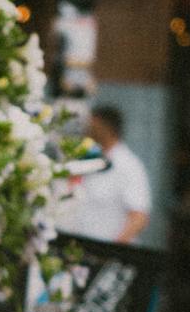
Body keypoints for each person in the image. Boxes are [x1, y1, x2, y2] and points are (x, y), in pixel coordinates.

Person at [58, 103, 152, 244]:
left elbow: (139, 217)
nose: (87, 129)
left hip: (107, 252)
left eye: (92, 124)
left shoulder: (128, 165)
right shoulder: (91, 158)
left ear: (104, 127)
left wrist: (115, 249)